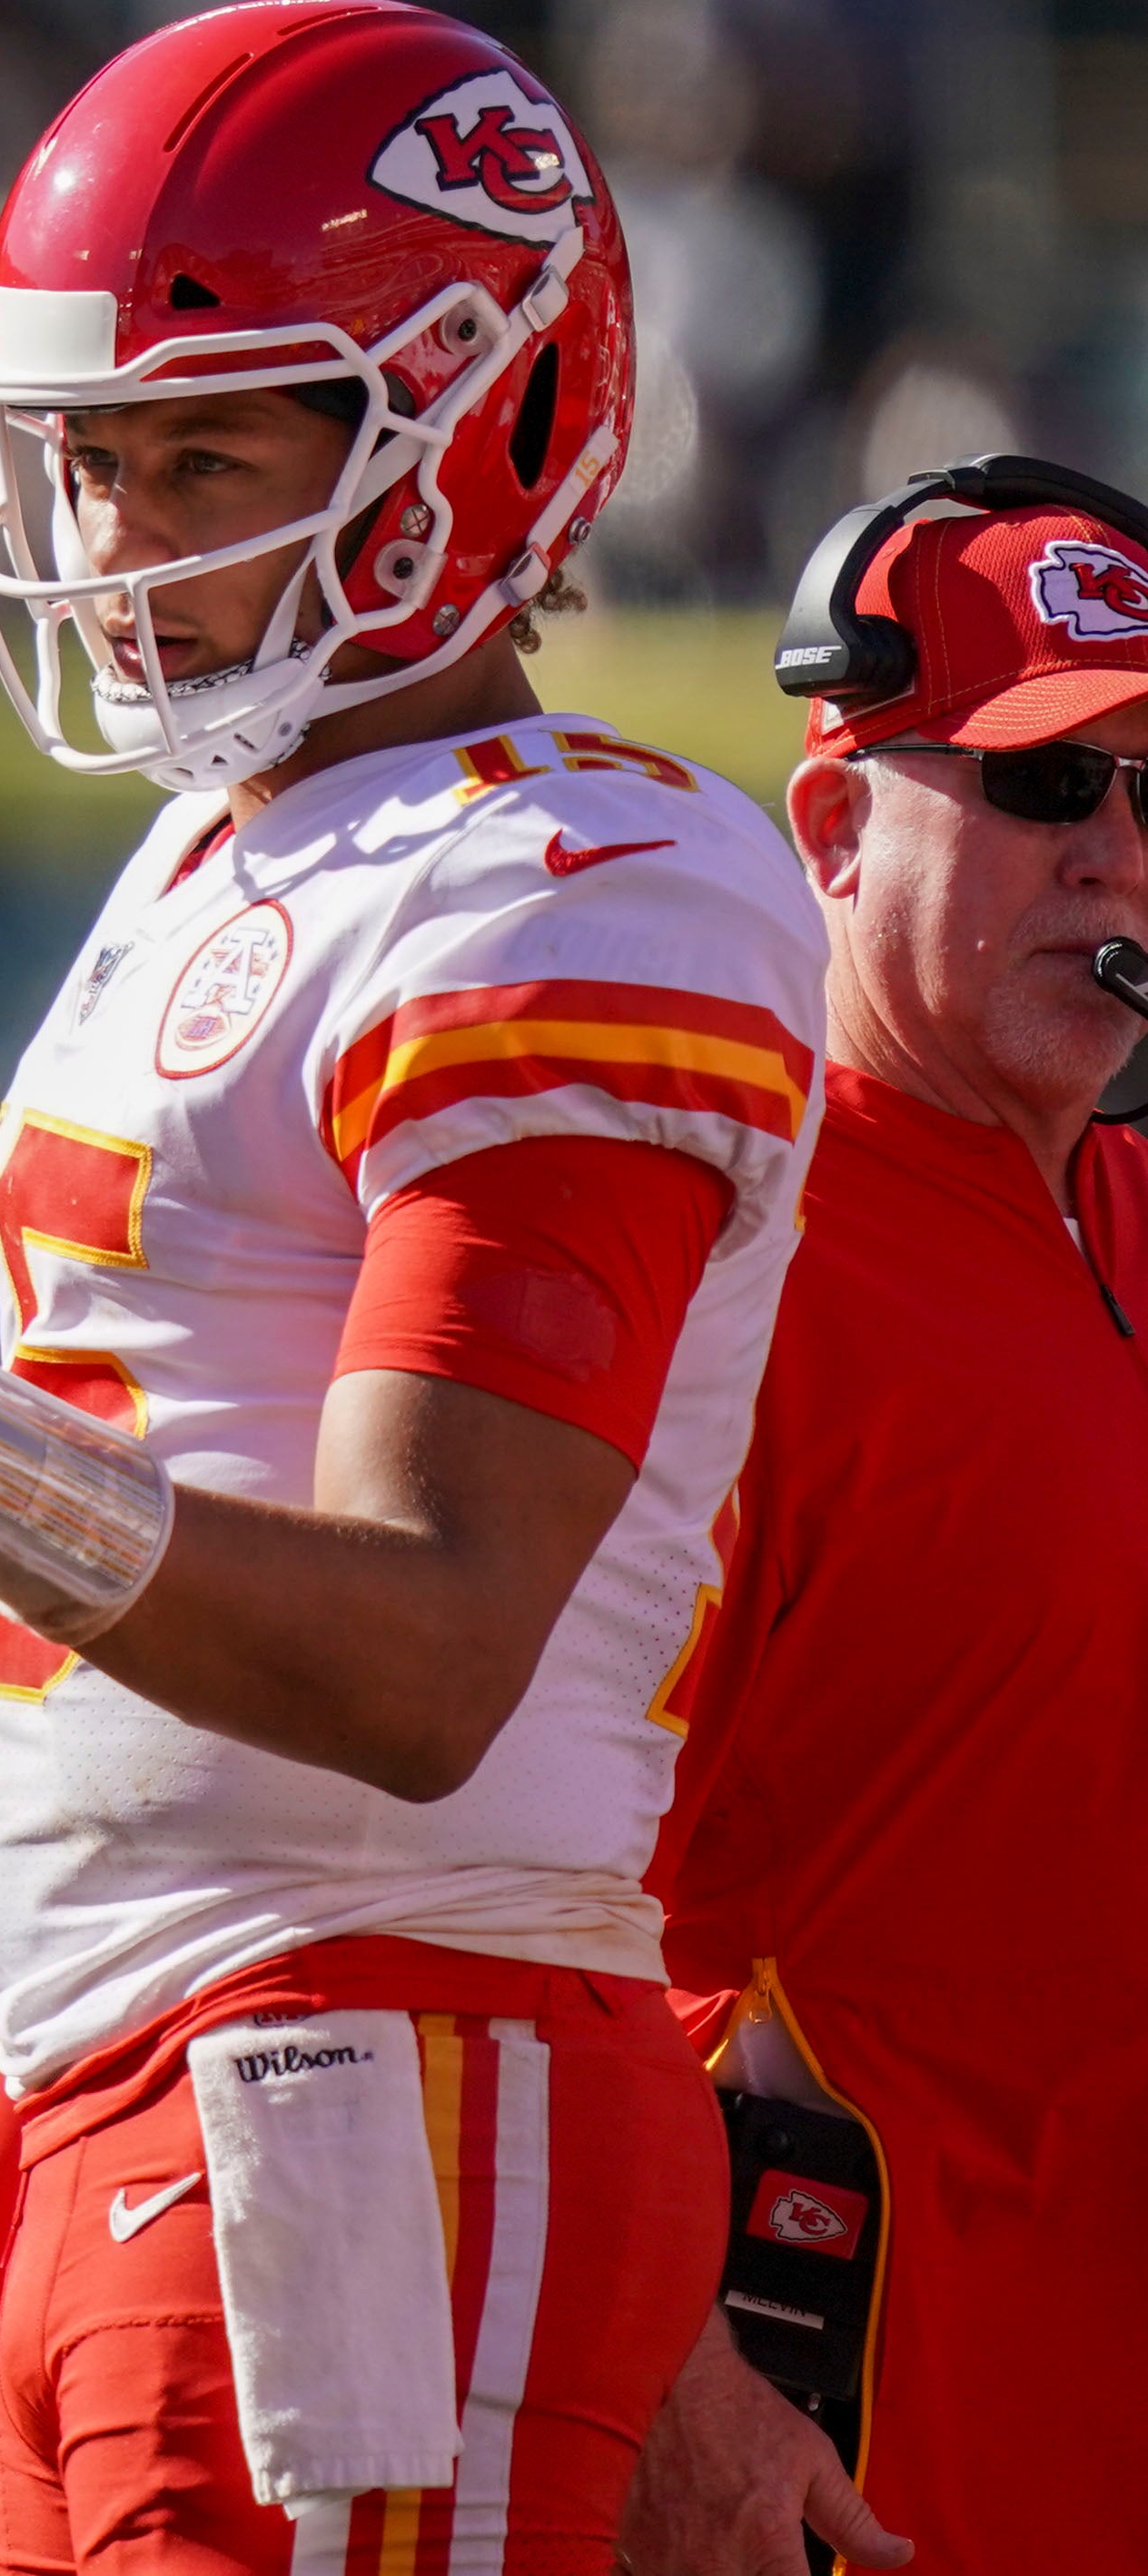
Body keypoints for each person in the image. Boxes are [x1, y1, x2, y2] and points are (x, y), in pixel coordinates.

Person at [0, 2, 828, 2572]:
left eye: (202, 458)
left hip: (393, 2090)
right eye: (82, 462)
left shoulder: (574, 881)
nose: (119, 544)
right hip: (165, 2087)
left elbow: (420, 1656)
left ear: (480, 432)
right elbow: (128, 1802)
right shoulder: (246, 848)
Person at [613, 469, 1148, 2574]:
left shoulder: (1121, 1209)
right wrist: (671, 2391)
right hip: (874, 2474)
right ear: (833, 831)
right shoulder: (737, 1269)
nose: (1115, 844)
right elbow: (520, 1908)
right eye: (1041, 782)